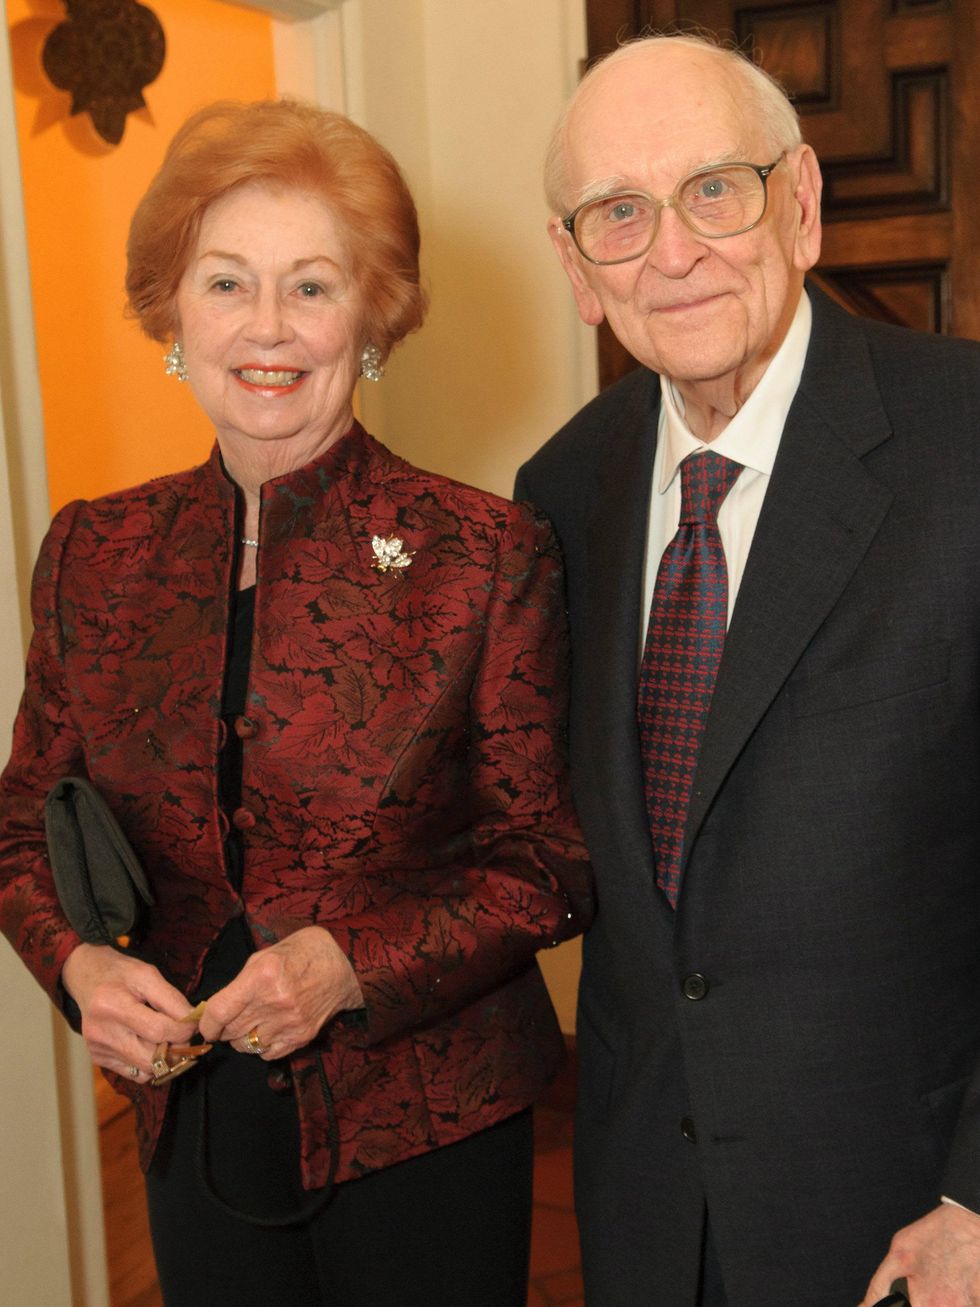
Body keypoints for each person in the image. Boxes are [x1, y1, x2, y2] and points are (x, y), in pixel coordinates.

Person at [0, 99, 592, 1307]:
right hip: (195, 1119)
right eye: (226, 282)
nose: (266, 327)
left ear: (373, 316)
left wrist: (348, 965)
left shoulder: (483, 553)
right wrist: (75, 969)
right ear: (172, 310)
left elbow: (547, 860)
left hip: (427, 1120)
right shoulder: (92, 552)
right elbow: (22, 825)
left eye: (312, 287)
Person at [516, 32, 980, 1307]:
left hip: (905, 1215)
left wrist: (976, 1199)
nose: (671, 251)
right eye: (618, 212)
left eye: (712, 188)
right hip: (643, 1209)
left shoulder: (966, 447)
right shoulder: (557, 492)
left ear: (802, 203)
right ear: (574, 267)